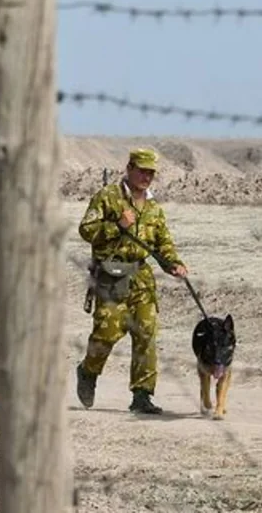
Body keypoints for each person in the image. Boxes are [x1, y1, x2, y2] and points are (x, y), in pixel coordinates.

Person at [76, 147, 189, 414]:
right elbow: (86, 230)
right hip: (111, 275)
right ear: (129, 168)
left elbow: (163, 243)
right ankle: (88, 371)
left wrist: (174, 263)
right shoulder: (108, 197)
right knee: (106, 333)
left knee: (145, 334)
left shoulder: (153, 207)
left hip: (141, 277)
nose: (146, 177)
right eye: (142, 171)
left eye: (151, 173)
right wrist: (117, 226)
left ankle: (142, 395)